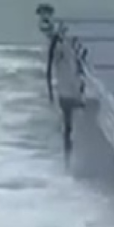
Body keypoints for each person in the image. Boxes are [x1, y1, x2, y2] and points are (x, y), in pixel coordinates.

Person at [46, 25, 84, 166]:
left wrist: (50, 93)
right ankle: (69, 156)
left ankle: (67, 157)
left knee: (68, 128)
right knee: (70, 126)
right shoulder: (61, 51)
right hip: (70, 94)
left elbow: (49, 74)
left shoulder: (57, 53)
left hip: (64, 94)